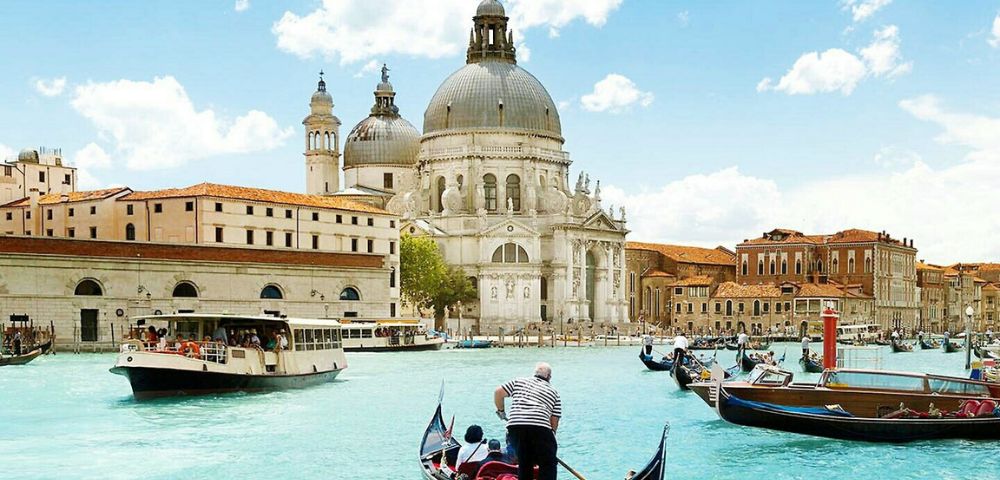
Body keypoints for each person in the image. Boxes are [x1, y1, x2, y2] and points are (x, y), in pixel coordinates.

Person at [494, 363, 562, 480]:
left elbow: (498, 392)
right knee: (548, 463)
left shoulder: (519, 381)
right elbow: (554, 421)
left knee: (525, 463)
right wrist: (549, 442)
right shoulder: (554, 392)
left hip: (515, 428)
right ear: (549, 377)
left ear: (534, 373)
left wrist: (501, 411)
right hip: (540, 429)